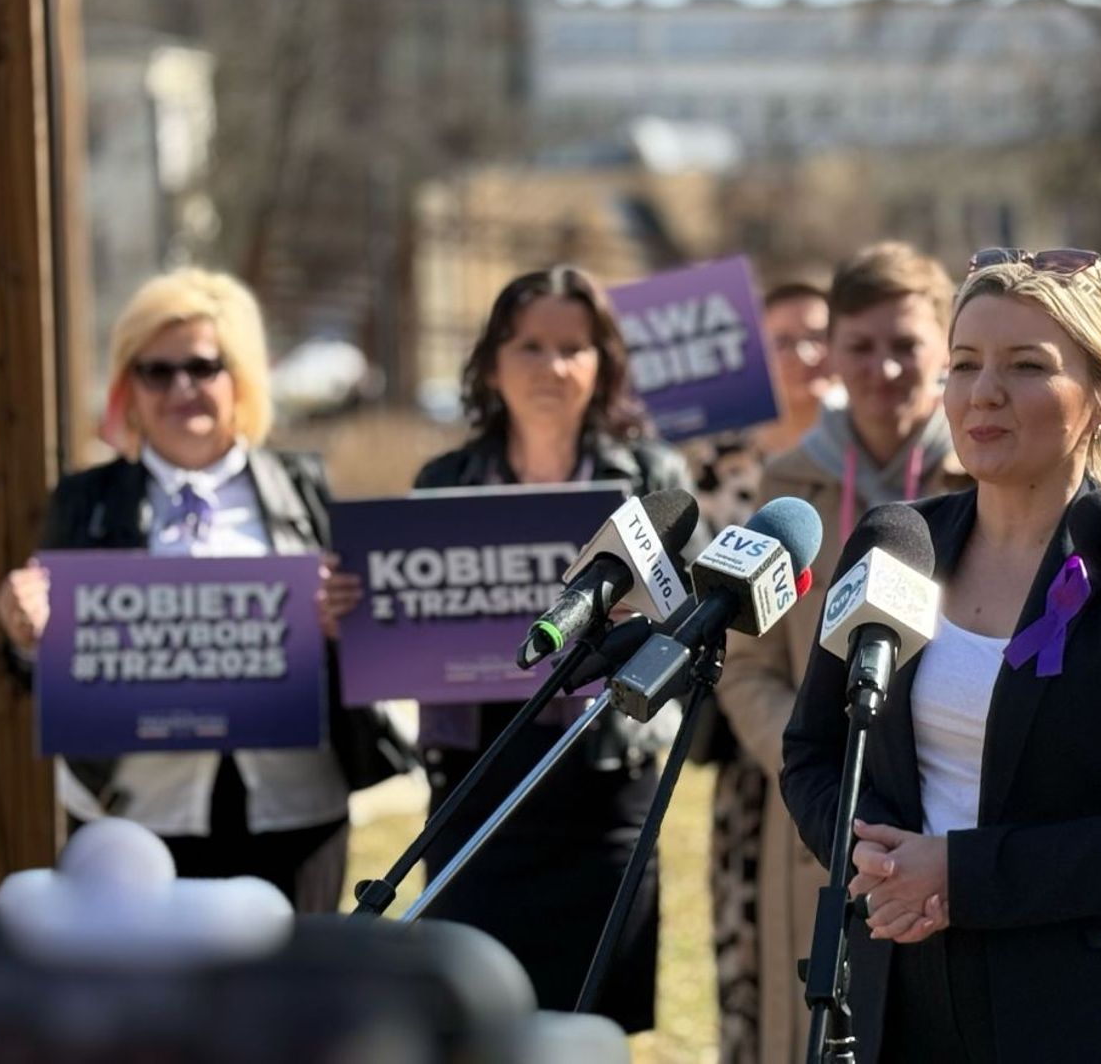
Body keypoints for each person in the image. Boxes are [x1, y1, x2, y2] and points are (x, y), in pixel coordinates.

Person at [780, 247, 1101, 1062]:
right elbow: (814, 753)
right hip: (902, 999)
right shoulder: (898, 544)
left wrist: (962, 875)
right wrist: (873, 859)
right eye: (964, 363)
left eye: (1026, 366)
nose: (983, 392)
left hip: (1092, 1013)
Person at [0, 269, 407, 911]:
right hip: (135, 814)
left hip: (293, 809)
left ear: (241, 377)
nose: (181, 387)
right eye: (156, 372)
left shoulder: (301, 488)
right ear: (129, 388)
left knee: (290, 975)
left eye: (202, 367)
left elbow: (373, 646)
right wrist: (28, 637)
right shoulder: (86, 502)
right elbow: (36, 671)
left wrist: (342, 625)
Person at [383, 265, 698, 1032]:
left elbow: (698, 626)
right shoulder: (444, 480)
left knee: (588, 1029)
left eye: (572, 347)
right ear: (491, 363)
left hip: (605, 788)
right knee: (470, 1025)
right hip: (476, 784)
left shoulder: (651, 475)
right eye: (529, 346)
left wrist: (656, 612)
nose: (551, 367)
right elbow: (407, 621)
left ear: (603, 364)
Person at [715, 242, 969, 1063]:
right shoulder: (789, 484)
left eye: (906, 345)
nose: (883, 369)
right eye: (860, 346)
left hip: (956, 822)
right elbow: (748, 665)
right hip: (826, 829)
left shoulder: (985, 478)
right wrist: (820, 769)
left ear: (945, 349)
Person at [695, 279, 835, 1064]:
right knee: (752, 960)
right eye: (785, 340)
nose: (806, 354)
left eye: (819, 336)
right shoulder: (722, 468)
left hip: (853, 746)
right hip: (755, 754)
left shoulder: (866, 457)